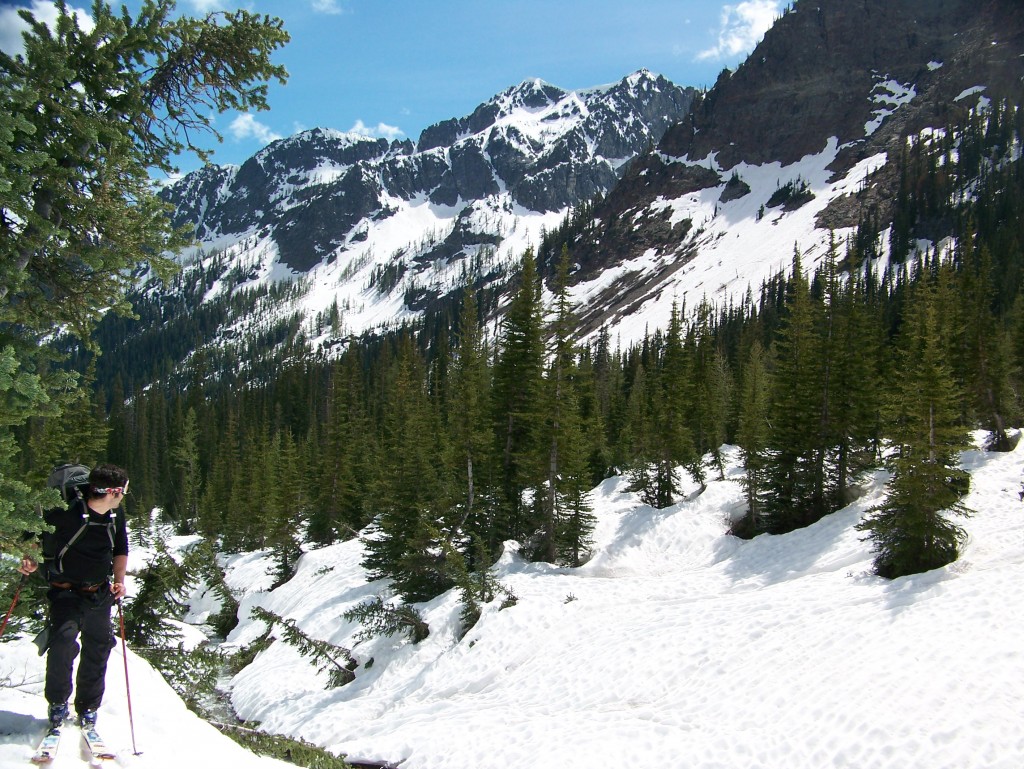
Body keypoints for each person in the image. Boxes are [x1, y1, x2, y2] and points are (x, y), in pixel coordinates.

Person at [18, 464, 130, 732]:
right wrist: (30, 558)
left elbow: (120, 547)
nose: (125, 495)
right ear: (113, 491)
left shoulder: (115, 514)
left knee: (99, 645)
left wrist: (119, 581)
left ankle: (88, 707)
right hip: (65, 591)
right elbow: (35, 533)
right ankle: (58, 703)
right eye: (124, 490)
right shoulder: (64, 512)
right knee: (63, 642)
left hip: (98, 591)